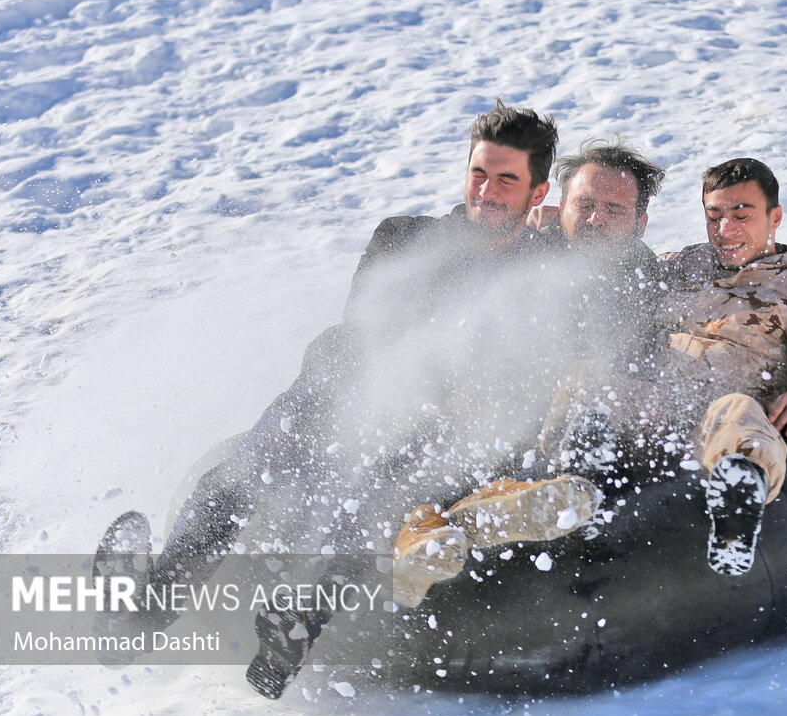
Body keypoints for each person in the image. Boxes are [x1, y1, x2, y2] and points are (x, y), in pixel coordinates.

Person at [92, 102, 561, 674]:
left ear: (537, 193)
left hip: (445, 431)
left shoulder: (551, 274)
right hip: (349, 397)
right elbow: (367, 338)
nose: (486, 191)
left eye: (507, 180)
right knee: (262, 453)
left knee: (402, 467)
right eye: (478, 173)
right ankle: (142, 613)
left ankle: (298, 626)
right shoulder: (403, 239)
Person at [529, 157, 787, 577]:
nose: (726, 230)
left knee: (737, 410)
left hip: (715, 420)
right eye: (715, 216)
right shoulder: (687, 265)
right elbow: (618, 255)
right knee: (593, 376)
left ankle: (736, 508)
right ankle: (580, 487)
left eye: (742, 215)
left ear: (774, 217)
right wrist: (554, 225)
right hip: (652, 409)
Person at [388, 138, 668, 609]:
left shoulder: (645, 283)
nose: (595, 219)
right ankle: (425, 540)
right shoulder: (523, 250)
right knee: (453, 440)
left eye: (614, 210)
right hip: (480, 412)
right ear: (561, 207)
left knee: (595, 416)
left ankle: (489, 514)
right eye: (586, 204)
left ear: (640, 224)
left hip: (561, 430)